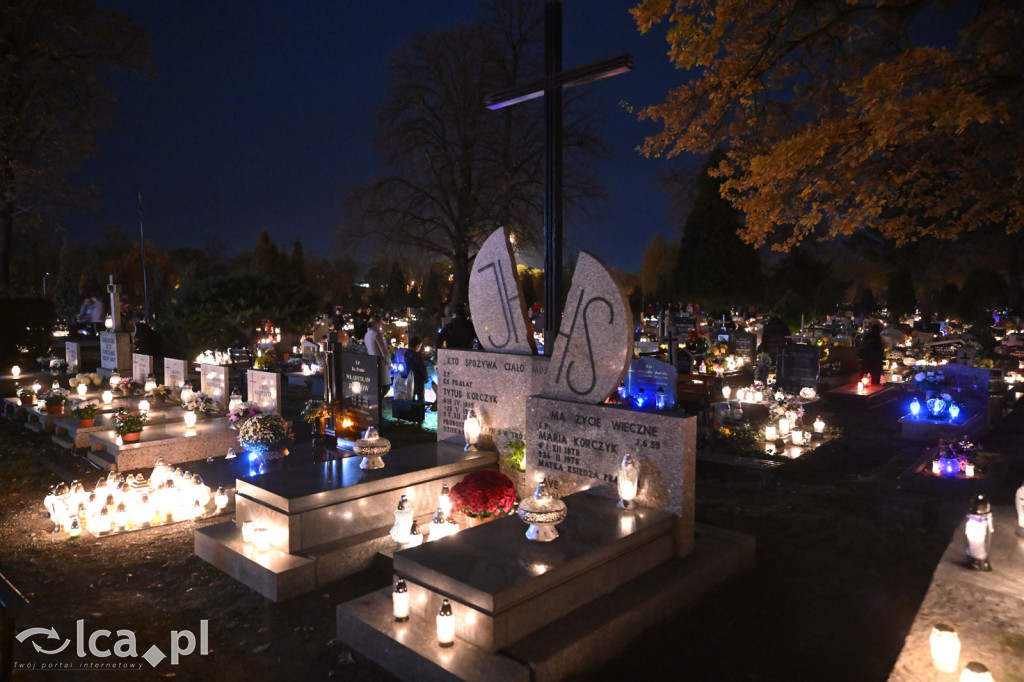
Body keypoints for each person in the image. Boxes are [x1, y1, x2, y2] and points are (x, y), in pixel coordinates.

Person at [363, 314, 392, 390]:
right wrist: (389, 363)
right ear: (376, 323)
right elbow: (384, 351)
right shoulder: (377, 335)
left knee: (377, 386)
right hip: (381, 363)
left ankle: (378, 400)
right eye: (381, 323)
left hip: (372, 362)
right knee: (385, 387)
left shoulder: (367, 335)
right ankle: (380, 401)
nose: (382, 324)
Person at [404, 336, 429, 403]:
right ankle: (420, 411)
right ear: (417, 345)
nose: (420, 348)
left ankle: (412, 411)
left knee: (411, 396)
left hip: (411, 378)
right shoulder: (416, 356)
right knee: (420, 398)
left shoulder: (406, 354)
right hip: (419, 379)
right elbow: (422, 367)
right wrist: (426, 378)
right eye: (420, 346)